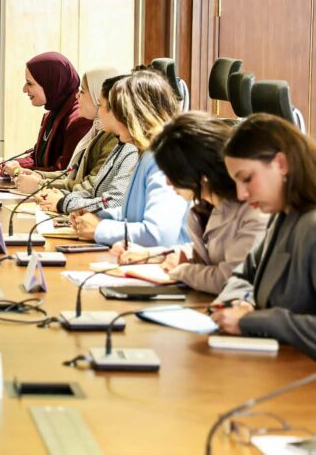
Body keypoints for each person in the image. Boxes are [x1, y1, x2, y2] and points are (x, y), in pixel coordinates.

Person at [113, 113, 268, 294]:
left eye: (172, 173)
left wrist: (180, 271)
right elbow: (203, 252)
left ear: (197, 170)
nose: (168, 183)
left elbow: (229, 279)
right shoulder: (206, 207)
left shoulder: (253, 210)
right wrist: (150, 255)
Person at [211, 114, 316, 358]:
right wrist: (237, 302)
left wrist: (252, 321)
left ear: (281, 164)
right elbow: (244, 273)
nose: (241, 194)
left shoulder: (311, 225)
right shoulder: (282, 215)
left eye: (247, 179)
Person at [69, 68, 188, 247]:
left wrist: (100, 228)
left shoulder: (162, 159)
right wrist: (96, 215)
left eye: (116, 110)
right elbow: (133, 214)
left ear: (132, 114)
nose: (110, 116)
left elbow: (158, 235)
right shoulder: (145, 151)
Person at [39, 74, 139, 214]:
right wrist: (63, 196)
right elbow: (97, 191)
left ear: (116, 110)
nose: (99, 112)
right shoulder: (120, 145)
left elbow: (115, 202)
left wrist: (63, 202)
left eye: (100, 105)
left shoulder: (132, 149)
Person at [16, 66, 120, 196]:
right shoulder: (97, 130)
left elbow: (91, 187)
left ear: (98, 96)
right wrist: (39, 176)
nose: (77, 96)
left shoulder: (113, 137)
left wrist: (40, 185)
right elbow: (72, 174)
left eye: (82, 91)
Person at [0, 52, 92, 175]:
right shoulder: (52, 114)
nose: (24, 89)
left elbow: (64, 173)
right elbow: (37, 159)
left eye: (30, 83)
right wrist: (8, 165)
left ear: (51, 83)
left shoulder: (78, 120)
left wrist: (18, 171)